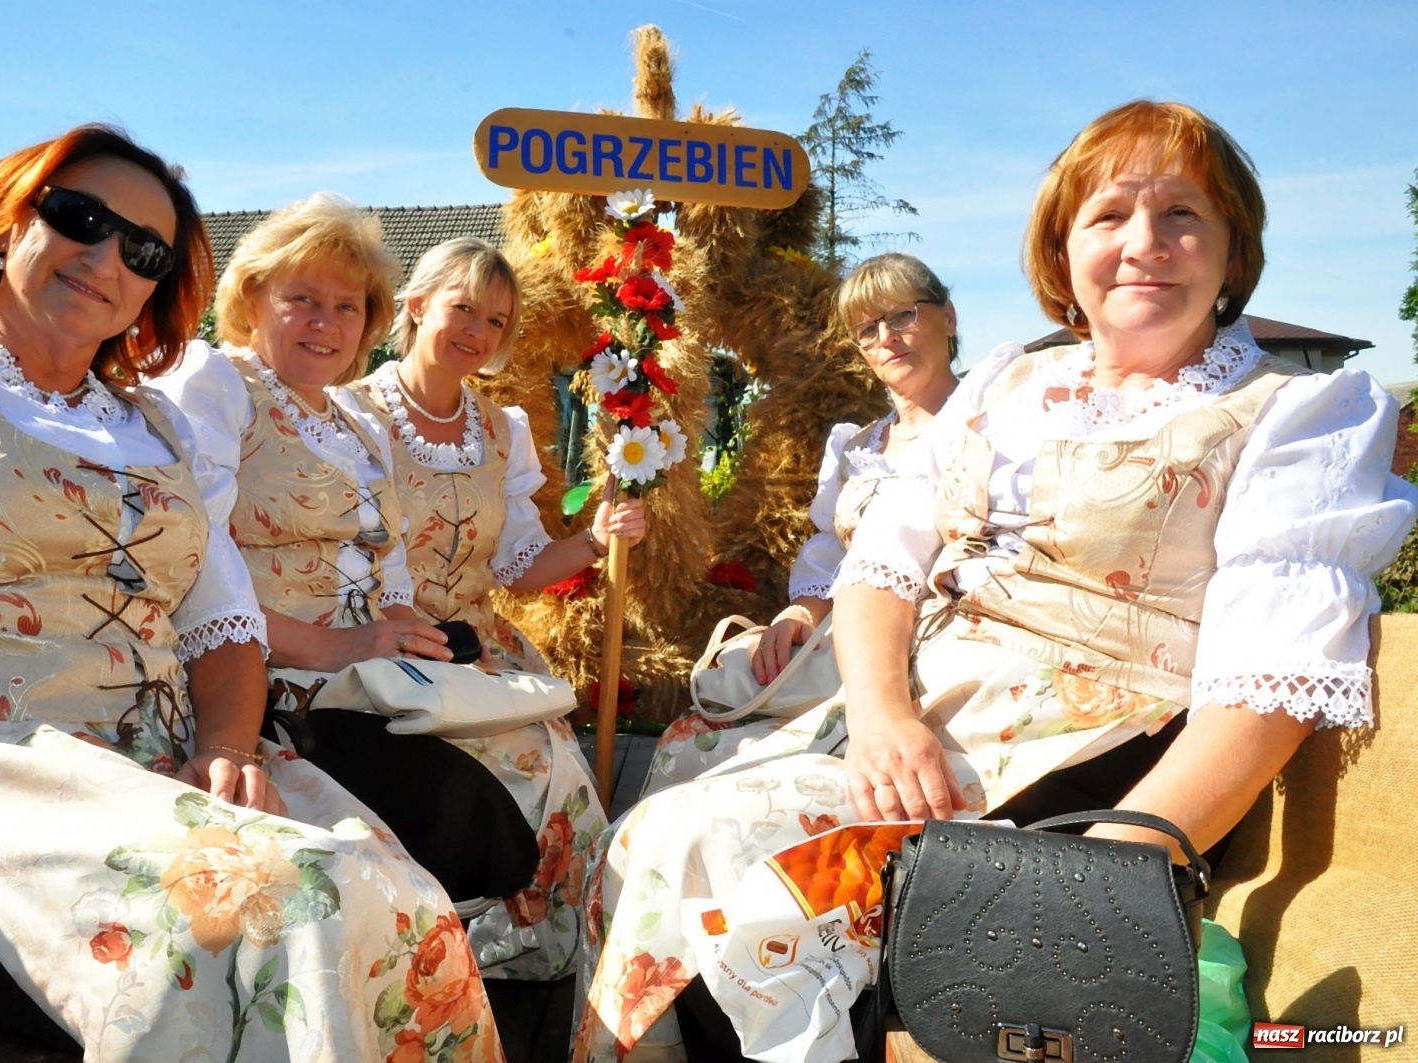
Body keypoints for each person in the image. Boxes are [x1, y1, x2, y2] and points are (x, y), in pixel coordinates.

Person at [572, 100, 1418, 1063]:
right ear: (1063, 256)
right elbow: (884, 564)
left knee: (703, 846)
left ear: (1234, 253)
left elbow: (1266, 682)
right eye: (1109, 216)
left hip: (1086, 764)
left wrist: (1118, 869)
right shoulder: (1008, 386)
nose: (1146, 243)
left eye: (1183, 214)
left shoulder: (1296, 412)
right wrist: (885, 712)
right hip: (912, 723)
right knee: (649, 832)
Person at [0, 128, 504, 1063]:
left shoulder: (154, 428)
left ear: (154, 289)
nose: (106, 257)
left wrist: (226, 747)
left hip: (158, 758)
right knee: (298, 910)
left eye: (143, 251)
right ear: (7, 220)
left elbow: (220, 627)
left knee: (397, 895)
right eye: (79, 217)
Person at [151, 192, 541, 919]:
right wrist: (334, 646)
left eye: (348, 306)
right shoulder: (217, 384)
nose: (326, 323)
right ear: (252, 296)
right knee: (473, 819)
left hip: (359, 677)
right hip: (263, 681)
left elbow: (389, 574)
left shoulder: (355, 417)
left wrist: (405, 644)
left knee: (525, 760)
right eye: (302, 299)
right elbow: (194, 572)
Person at [352, 237, 645, 983]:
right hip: (378, 652)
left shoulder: (501, 429)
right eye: (463, 309)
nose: (477, 332)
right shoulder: (352, 415)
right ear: (416, 306)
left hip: (479, 651)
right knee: (521, 765)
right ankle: (435, 951)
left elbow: (518, 565)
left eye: (495, 321)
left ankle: (549, 960)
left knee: (561, 774)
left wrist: (591, 539)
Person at [641, 253, 961, 796]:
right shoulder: (857, 448)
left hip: (935, 653)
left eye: (903, 315)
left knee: (740, 780)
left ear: (948, 317)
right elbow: (829, 559)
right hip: (849, 650)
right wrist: (798, 612)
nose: (887, 337)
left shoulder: (987, 421)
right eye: (867, 328)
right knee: (686, 740)